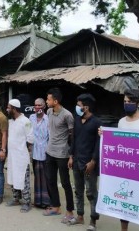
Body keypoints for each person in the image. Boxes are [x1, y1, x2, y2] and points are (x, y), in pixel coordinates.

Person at [110, 89, 139, 231]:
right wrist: (105, 135)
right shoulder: (121, 122)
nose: (126, 104)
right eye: (125, 101)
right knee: (125, 204)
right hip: (125, 169)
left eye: (130, 102)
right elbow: (118, 144)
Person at [67, 94, 101, 229]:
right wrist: (71, 156)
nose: (77, 107)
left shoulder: (97, 123)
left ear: (86, 107)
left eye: (79, 105)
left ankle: (93, 220)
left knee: (91, 193)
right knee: (78, 191)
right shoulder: (76, 120)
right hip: (76, 161)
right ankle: (80, 216)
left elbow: (99, 144)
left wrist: (93, 161)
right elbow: (73, 140)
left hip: (89, 164)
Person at [43, 88, 75, 224]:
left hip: (62, 153)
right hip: (49, 151)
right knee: (50, 180)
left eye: (48, 99)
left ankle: (70, 211)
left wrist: (71, 155)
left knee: (66, 183)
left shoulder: (67, 115)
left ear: (55, 101)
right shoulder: (49, 111)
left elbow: (72, 136)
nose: (46, 101)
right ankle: (56, 207)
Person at [5, 99, 33, 213]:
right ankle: (16, 199)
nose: (7, 109)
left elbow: (30, 139)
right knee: (12, 176)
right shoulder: (11, 121)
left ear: (14, 109)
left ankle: (27, 202)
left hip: (21, 156)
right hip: (12, 156)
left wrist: (23, 149)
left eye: (8, 107)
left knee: (23, 179)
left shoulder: (25, 121)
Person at [29, 98, 51, 209]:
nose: (37, 107)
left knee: (45, 177)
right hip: (34, 152)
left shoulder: (48, 119)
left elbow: (50, 136)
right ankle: (38, 201)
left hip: (44, 152)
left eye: (39, 105)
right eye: (35, 105)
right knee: (37, 176)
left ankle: (46, 202)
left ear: (44, 107)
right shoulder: (31, 118)